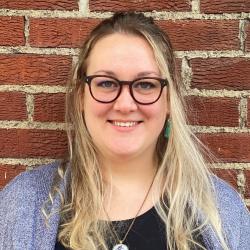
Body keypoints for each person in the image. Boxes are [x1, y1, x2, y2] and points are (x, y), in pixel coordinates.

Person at [0, 12, 249, 250]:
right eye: (107, 83)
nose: (125, 105)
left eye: (145, 84)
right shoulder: (23, 204)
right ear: (80, 98)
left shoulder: (223, 212)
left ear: (170, 101)